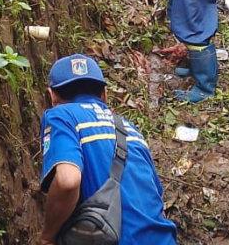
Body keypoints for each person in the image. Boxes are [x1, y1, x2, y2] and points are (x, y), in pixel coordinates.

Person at [39, 54, 177, 245]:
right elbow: (156, 195)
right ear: (104, 94)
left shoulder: (62, 116)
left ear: (52, 96)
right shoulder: (130, 129)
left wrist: (47, 236)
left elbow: (68, 181)